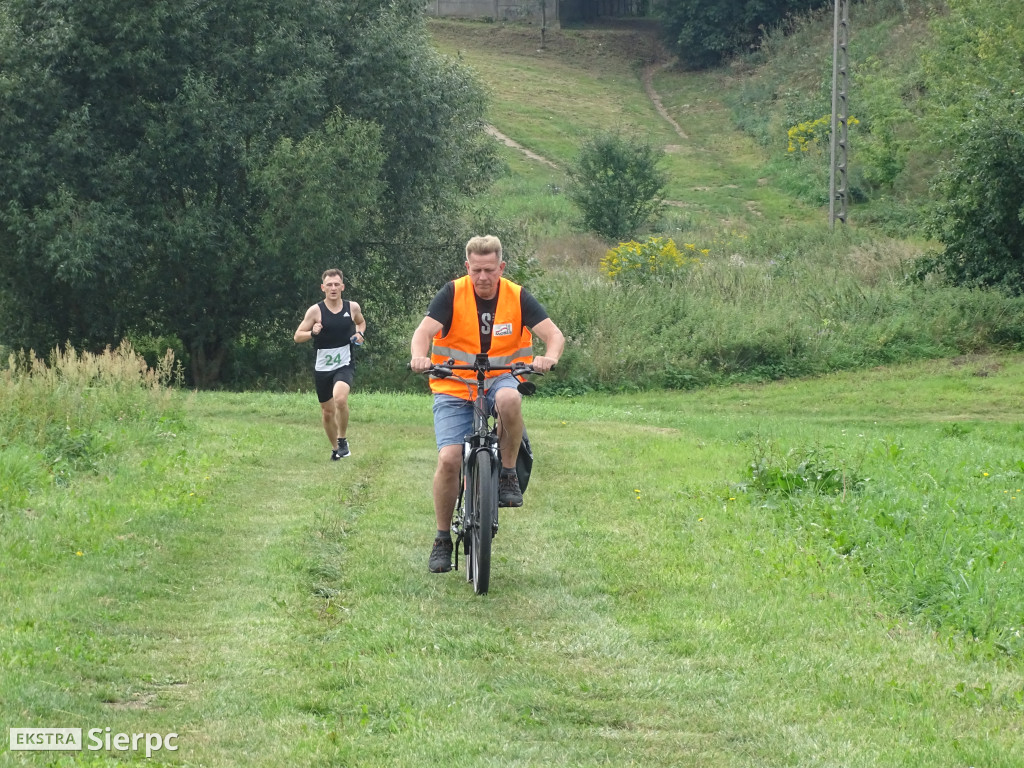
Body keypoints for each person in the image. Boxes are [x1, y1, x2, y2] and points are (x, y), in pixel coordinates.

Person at [410, 235, 564, 573]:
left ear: (501, 268)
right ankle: (441, 538)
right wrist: (419, 357)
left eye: (490, 270)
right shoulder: (452, 294)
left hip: (502, 377)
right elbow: (423, 332)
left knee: (510, 398)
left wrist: (548, 358)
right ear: (467, 267)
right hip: (455, 384)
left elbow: (554, 336)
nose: (483, 277)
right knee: (449, 459)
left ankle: (507, 473)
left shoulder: (518, 296)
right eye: (477, 269)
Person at [294, 268, 366, 460]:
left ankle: (343, 440)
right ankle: (337, 449)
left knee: (340, 399)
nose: (333, 288)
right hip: (323, 366)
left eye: (336, 284)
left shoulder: (352, 307)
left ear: (342, 287)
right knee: (327, 412)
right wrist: (312, 332)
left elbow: (361, 323)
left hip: (344, 362)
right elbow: (297, 336)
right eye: (329, 285)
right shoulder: (315, 311)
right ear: (323, 287)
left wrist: (360, 334)